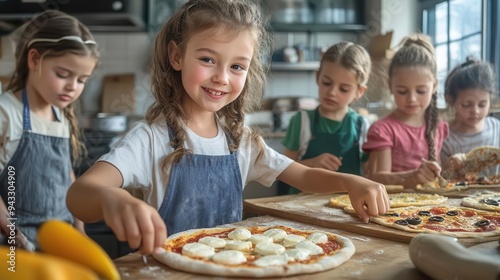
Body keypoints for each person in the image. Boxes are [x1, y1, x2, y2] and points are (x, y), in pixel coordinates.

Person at [66, 0, 389, 255]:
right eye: (207, 59)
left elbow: (302, 175)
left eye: (237, 66)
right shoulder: (150, 138)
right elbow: (79, 195)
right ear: (177, 55)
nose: (222, 77)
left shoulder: (240, 140)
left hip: (231, 266)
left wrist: (350, 182)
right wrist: (112, 199)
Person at [0, 10, 99, 249]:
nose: (72, 87)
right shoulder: (6, 113)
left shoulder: (60, 115)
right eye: (63, 74)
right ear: (34, 60)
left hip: (59, 242)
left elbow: (66, 175)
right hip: (17, 247)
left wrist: (79, 229)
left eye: (82, 80)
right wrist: (12, 231)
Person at [279, 42, 372, 194]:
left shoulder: (361, 126)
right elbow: (282, 171)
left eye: (344, 89)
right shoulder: (301, 121)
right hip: (300, 205)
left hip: (346, 206)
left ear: (359, 91)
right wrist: (311, 164)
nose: (332, 92)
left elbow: (369, 175)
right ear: (317, 77)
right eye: (327, 83)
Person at [362, 34, 449, 188]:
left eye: (421, 91)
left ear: (434, 86)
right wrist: (412, 177)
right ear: (390, 86)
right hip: (391, 207)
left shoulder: (438, 126)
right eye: (402, 91)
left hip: (431, 207)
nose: (412, 99)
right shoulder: (383, 130)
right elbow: (376, 179)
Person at [441, 57, 500, 176]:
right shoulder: (446, 137)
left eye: (482, 104)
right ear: (450, 100)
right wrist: (451, 164)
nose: (476, 111)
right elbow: (443, 175)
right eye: (467, 105)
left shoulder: (496, 127)